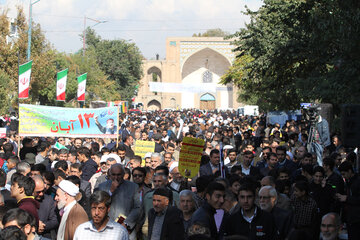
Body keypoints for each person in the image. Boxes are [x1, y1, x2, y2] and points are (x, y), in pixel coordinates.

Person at [97, 164, 140, 240]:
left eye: (118, 175)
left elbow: (138, 208)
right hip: (106, 229)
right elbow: (99, 205)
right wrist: (111, 191)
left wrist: (127, 223)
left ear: (123, 174)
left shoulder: (133, 187)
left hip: (126, 229)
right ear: (109, 174)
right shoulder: (102, 186)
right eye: (113, 175)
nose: (116, 177)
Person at [336, 161, 360, 240]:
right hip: (351, 219)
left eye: (344, 174)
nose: (344, 177)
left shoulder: (357, 182)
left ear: (349, 171)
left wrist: (347, 198)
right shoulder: (348, 182)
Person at [32, 175, 58, 239]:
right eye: (38, 192)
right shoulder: (26, 202)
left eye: (43, 191)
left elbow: (54, 220)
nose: (41, 194)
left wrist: (43, 226)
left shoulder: (48, 200)